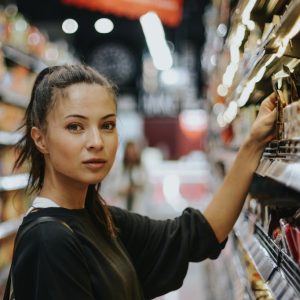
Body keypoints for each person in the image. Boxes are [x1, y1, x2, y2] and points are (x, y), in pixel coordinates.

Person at [8, 64, 276, 300]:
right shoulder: (48, 240)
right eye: (75, 127)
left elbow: (199, 234)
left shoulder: (103, 220)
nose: (96, 142)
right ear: (40, 138)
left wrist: (254, 143)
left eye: (107, 125)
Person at [113, 140, 149, 212]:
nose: (131, 155)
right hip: (123, 205)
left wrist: (136, 188)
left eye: (133, 152)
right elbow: (113, 188)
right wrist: (125, 190)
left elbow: (147, 186)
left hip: (138, 206)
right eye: (129, 152)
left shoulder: (141, 168)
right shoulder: (120, 168)